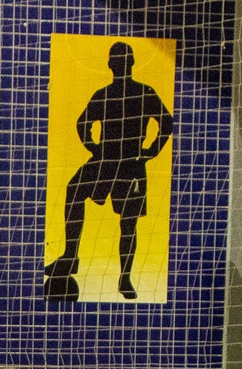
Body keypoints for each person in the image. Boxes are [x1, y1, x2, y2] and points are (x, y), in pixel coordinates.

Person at [43, 41, 174, 301]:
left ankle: (124, 277)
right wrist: (94, 148)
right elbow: (83, 123)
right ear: (111, 65)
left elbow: (166, 123)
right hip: (106, 161)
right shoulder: (103, 94)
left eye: (122, 61)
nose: (119, 65)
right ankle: (71, 256)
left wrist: (149, 152)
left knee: (128, 223)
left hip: (131, 165)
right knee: (74, 189)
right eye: (116, 61)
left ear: (130, 64)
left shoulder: (144, 92)